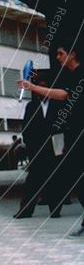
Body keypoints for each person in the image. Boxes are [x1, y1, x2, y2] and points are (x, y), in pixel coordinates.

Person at [18, 41, 84, 235]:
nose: (58, 57)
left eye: (61, 53)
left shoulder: (80, 74)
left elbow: (63, 95)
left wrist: (33, 88)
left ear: (72, 54)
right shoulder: (68, 75)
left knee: (74, 176)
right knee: (74, 177)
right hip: (72, 133)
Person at [14, 71, 61, 218]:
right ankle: (26, 210)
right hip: (37, 147)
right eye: (39, 87)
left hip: (54, 146)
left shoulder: (57, 105)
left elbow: (62, 127)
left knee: (54, 178)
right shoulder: (31, 106)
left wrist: (60, 147)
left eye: (44, 87)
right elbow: (26, 128)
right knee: (33, 180)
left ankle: (55, 209)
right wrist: (31, 146)